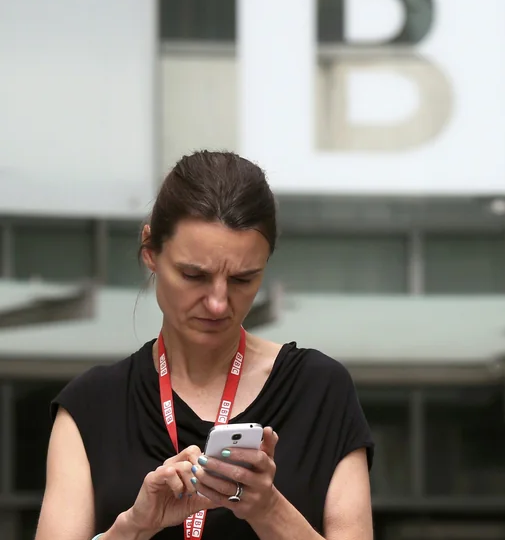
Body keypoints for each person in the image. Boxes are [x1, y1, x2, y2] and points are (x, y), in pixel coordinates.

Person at [35, 151, 375, 540]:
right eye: (194, 275)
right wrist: (134, 526)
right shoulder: (92, 406)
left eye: (242, 279)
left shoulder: (320, 392)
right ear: (150, 252)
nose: (217, 303)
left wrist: (269, 510)